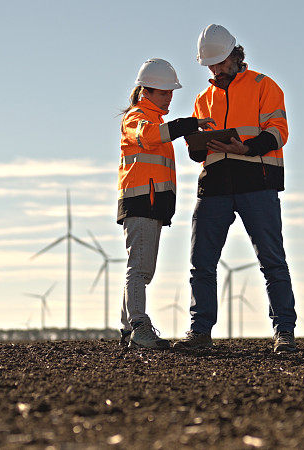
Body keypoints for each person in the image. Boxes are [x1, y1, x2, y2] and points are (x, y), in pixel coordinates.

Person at [173, 24, 298, 352]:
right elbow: (197, 152)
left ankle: (284, 331)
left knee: (272, 260)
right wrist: (196, 146)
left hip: (257, 182)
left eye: (218, 62)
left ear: (234, 55)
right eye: (210, 64)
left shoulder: (263, 85)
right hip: (213, 186)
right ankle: (199, 332)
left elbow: (278, 130)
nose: (214, 69)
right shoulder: (203, 99)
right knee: (201, 262)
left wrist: (248, 148)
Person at [117, 58, 215, 349]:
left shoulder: (155, 120)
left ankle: (128, 330)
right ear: (146, 91)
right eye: (164, 92)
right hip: (141, 203)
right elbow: (148, 138)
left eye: (171, 92)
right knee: (141, 269)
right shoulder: (138, 118)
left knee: (140, 267)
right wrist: (187, 125)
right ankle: (138, 327)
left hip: (149, 204)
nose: (170, 97)